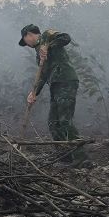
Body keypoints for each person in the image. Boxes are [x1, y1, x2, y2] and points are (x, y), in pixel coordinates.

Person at [19, 24, 90, 167]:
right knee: (53, 123)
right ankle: (65, 157)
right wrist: (34, 93)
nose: (26, 44)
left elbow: (66, 38)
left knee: (65, 121)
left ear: (29, 35)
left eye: (25, 41)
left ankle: (81, 157)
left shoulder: (46, 36)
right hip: (55, 86)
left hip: (65, 81)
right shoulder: (38, 54)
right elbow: (43, 75)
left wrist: (48, 46)